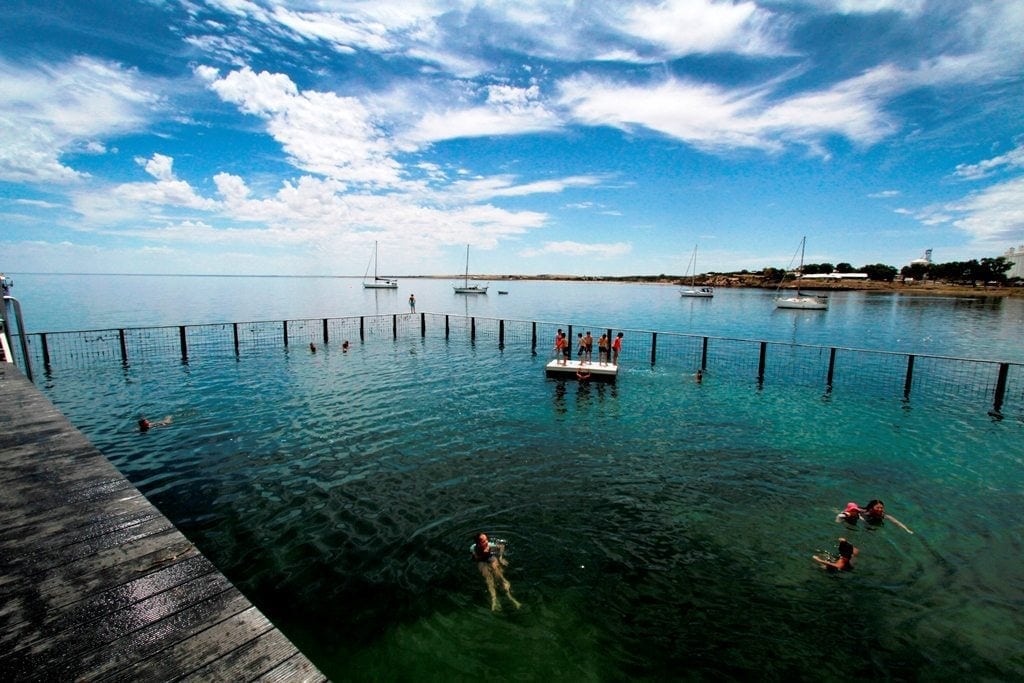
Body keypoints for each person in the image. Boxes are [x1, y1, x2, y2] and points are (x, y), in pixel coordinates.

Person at [470, 532, 521, 611]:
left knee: (500, 578)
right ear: (478, 543)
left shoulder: (489, 545)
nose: (486, 542)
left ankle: (510, 597)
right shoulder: (473, 548)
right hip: (482, 562)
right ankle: (494, 599)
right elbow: (473, 555)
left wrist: (501, 558)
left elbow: (501, 546)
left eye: (486, 539)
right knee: (488, 580)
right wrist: (475, 556)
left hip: (492, 559)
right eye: (483, 541)